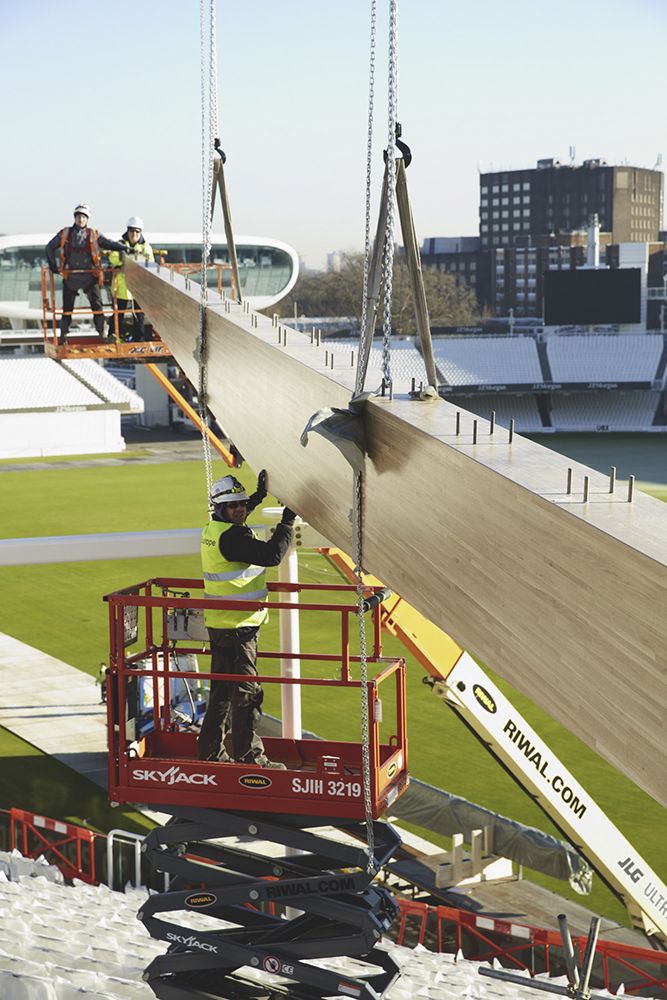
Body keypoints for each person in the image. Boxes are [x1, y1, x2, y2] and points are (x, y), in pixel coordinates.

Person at [198, 470, 296, 768]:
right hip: (240, 630)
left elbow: (237, 514)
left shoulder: (214, 530)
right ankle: (249, 758)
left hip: (221, 625)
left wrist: (257, 496)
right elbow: (271, 555)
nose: (240, 509)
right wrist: (287, 521)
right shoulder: (234, 537)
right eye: (234, 505)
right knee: (245, 695)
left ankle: (210, 752)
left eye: (242, 503)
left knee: (221, 695)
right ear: (220, 509)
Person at [45, 205, 127, 345]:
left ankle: (103, 334)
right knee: (67, 309)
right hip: (71, 278)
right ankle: (63, 336)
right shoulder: (65, 234)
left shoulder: (94, 234)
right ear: (75, 218)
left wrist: (124, 247)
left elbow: (109, 243)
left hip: (90, 277)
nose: (81, 219)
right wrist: (53, 266)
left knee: (97, 307)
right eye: (78, 216)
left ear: (87, 219)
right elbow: (50, 247)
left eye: (83, 217)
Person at [107, 216, 154, 341]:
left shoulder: (145, 247)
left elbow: (150, 261)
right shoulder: (120, 245)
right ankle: (114, 336)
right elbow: (112, 257)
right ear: (127, 231)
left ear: (140, 233)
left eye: (137, 232)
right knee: (118, 313)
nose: (134, 234)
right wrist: (123, 258)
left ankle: (140, 338)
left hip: (139, 287)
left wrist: (130, 260)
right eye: (132, 231)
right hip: (121, 286)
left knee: (139, 314)